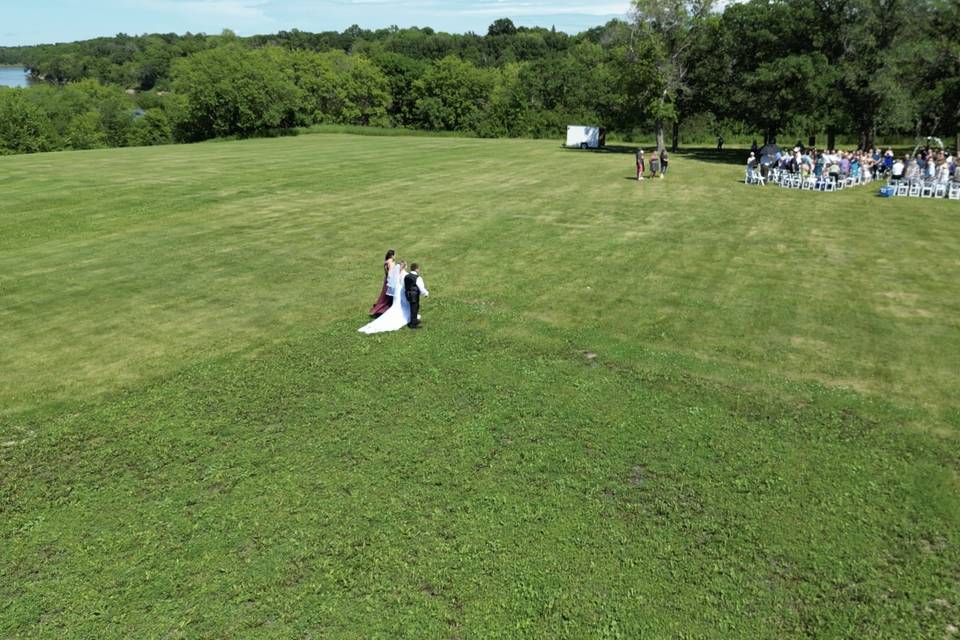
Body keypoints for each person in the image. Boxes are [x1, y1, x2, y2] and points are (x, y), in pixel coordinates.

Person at [359, 260, 411, 334]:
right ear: (405, 266)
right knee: (402, 307)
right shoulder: (405, 275)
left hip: (396, 293)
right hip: (401, 292)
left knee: (396, 306)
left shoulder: (396, 274)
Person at [368, 249, 396, 317]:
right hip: (390, 280)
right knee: (388, 295)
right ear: (392, 255)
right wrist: (392, 280)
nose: (395, 256)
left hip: (386, 279)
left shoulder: (386, 261)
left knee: (384, 294)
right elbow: (390, 273)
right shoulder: (390, 262)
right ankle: (383, 309)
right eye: (394, 255)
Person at [403, 263, 429, 329]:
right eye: (418, 268)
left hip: (408, 294)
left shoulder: (406, 276)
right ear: (416, 269)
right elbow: (421, 287)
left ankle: (414, 320)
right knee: (414, 309)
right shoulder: (417, 278)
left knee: (414, 307)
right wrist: (426, 293)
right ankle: (413, 324)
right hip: (414, 295)